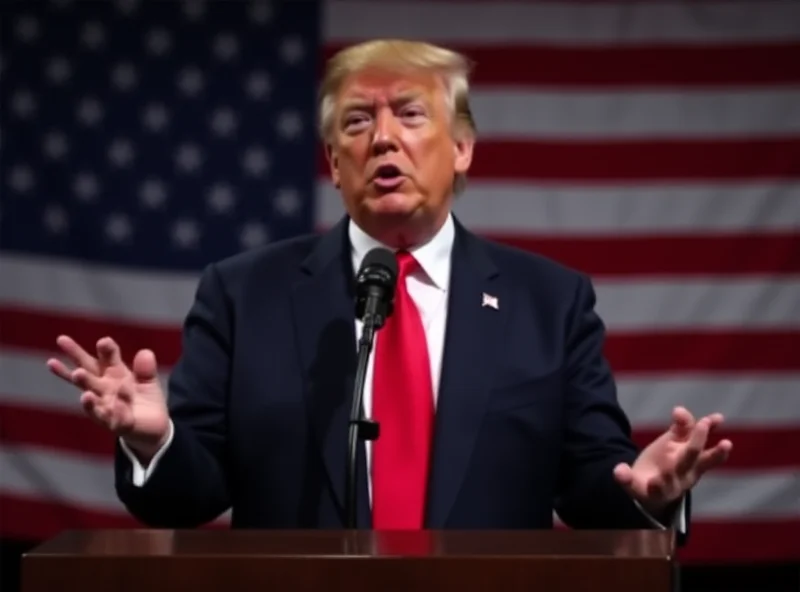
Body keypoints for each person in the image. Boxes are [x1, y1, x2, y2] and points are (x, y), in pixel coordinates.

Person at [47, 39, 732, 536]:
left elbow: (590, 486)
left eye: (409, 115)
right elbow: (189, 497)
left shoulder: (548, 302)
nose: (382, 139)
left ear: (462, 148)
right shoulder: (242, 294)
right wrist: (154, 442)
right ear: (333, 163)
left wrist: (649, 494)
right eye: (356, 121)